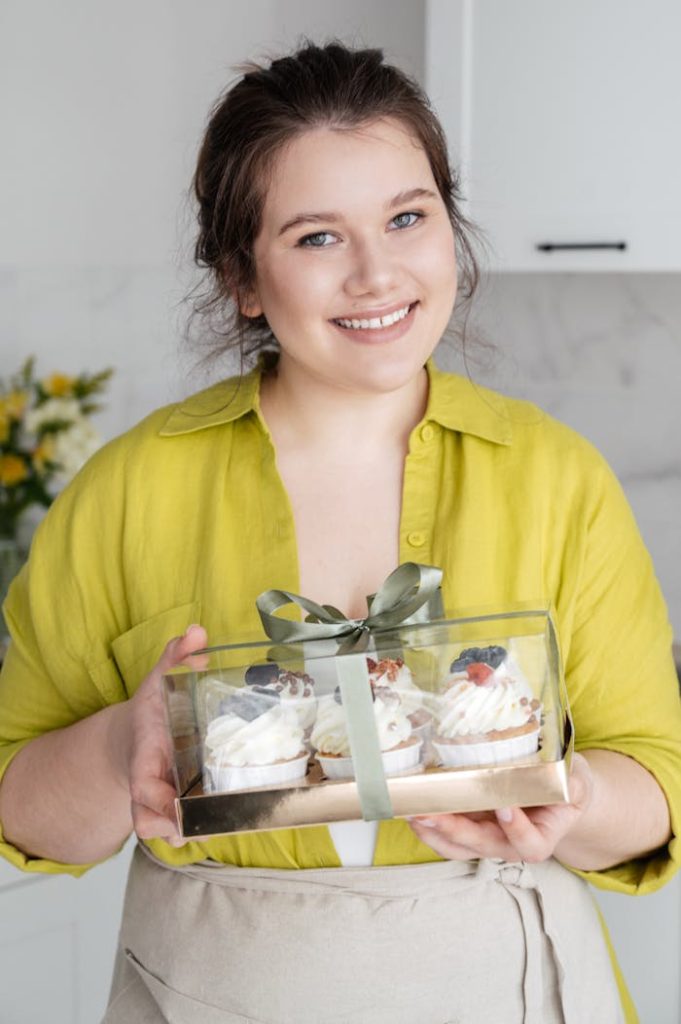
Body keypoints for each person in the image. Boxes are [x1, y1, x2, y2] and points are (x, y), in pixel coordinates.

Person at [0, 40, 679, 1024]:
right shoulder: (129, 489)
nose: (377, 273)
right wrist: (118, 750)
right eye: (318, 237)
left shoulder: (556, 477)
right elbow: (20, 804)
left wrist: (572, 801)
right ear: (242, 275)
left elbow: (656, 784)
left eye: (408, 217)